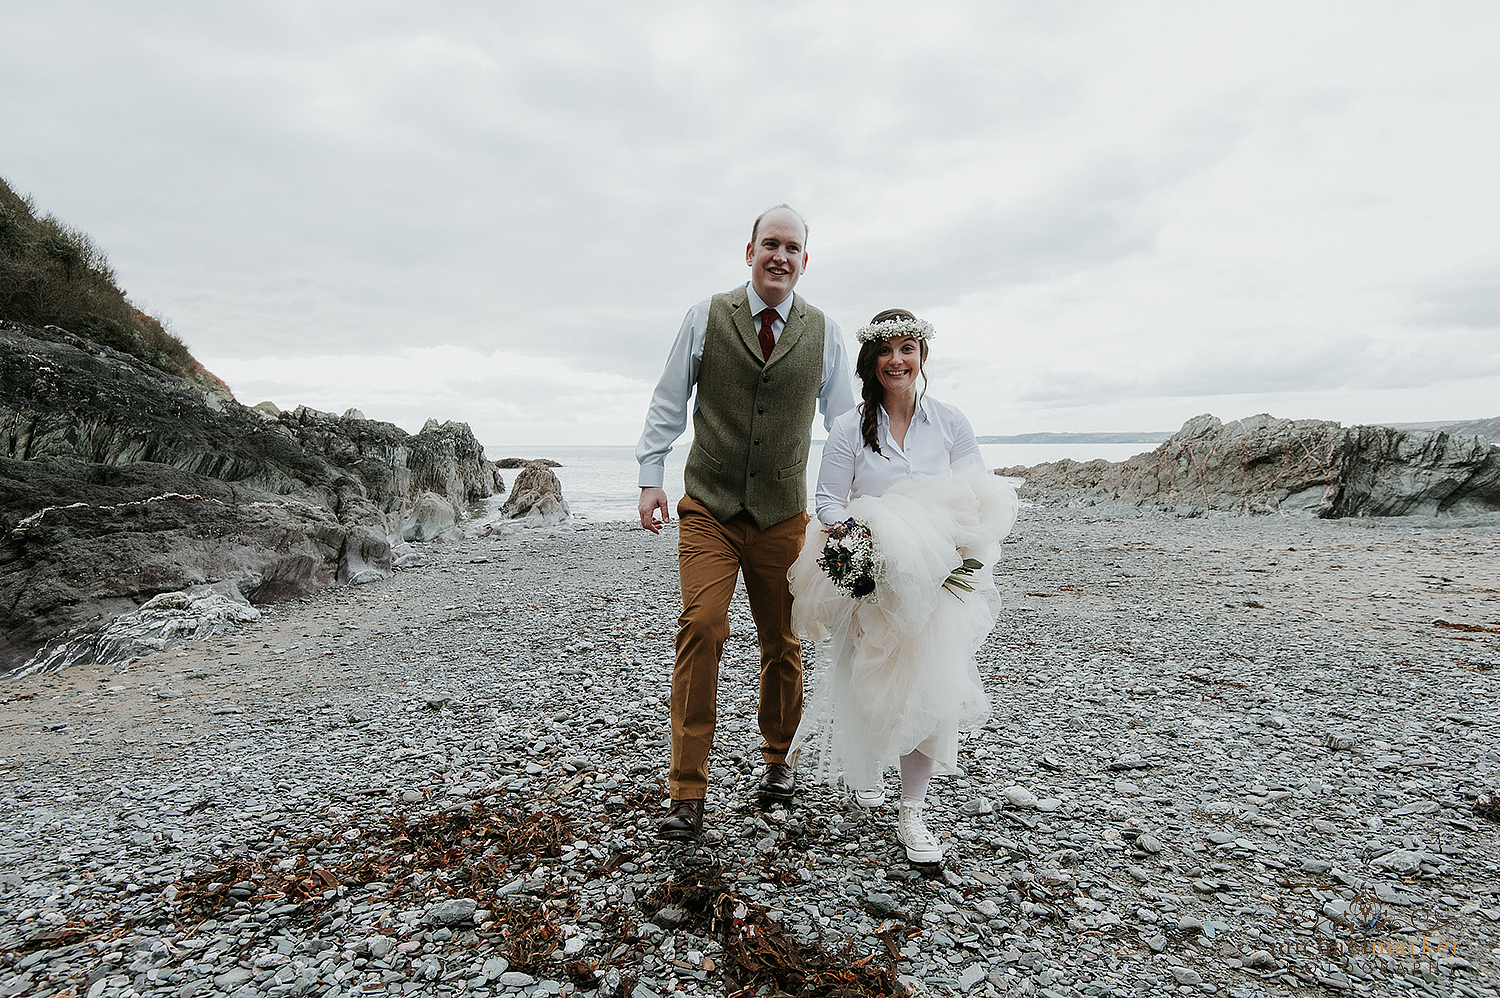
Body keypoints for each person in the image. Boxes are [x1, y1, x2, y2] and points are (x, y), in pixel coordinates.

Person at [636, 204, 857, 843]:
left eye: (792, 247)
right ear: (750, 250)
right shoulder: (707, 316)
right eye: (770, 245)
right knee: (702, 626)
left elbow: (845, 429)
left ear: (805, 261)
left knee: (784, 641)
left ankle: (779, 761)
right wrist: (652, 476)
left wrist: (853, 511)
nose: (780, 257)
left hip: (784, 514)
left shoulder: (825, 333)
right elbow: (668, 398)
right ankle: (686, 790)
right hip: (709, 507)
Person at [787, 308, 1017, 863]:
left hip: (940, 579)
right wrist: (854, 542)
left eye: (907, 349)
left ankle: (912, 811)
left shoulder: (950, 422)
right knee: (869, 679)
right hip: (877, 576)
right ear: (872, 361)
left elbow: (977, 490)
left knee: (929, 686)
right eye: (886, 351)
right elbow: (826, 500)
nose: (897, 360)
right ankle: (867, 768)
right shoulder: (849, 427)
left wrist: (960, 548)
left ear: (921, 357)